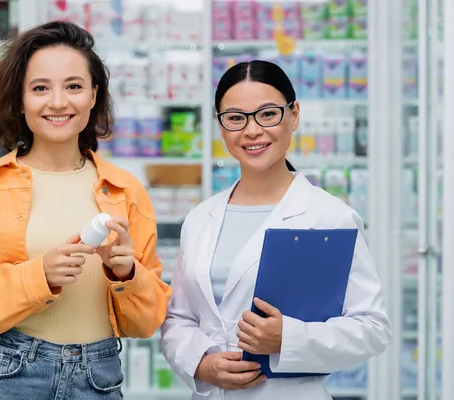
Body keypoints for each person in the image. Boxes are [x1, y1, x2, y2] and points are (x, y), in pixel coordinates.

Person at [0, 21, 172, 399]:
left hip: (99, 380)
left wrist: (126, 273)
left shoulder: (125, 191)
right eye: (40, 88)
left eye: (73, 86)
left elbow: (147, 321)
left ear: (93, 95)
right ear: (20, 101)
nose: (58, 102)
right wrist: (38, 276)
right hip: (10, 377)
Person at [160, 60, 391, 399]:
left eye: (267, 114)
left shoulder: (329, 216)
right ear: (221, 126)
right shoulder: (200, 218)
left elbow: (372, 327)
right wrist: (202, 364)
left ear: (294, 114)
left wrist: (288, 338)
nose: (252, 131)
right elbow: (179, 318)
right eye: (236, 118)